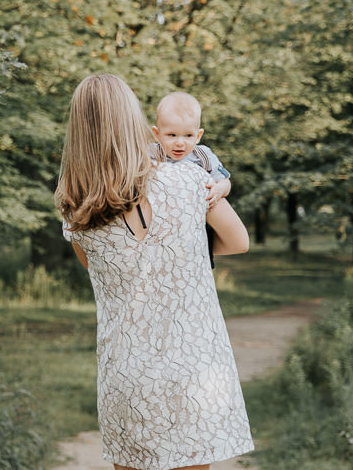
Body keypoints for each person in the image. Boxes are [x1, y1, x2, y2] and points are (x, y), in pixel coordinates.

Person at [56, 74, 253, 470]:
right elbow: (238, 242)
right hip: (194, 367)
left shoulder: (75, 207)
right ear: (135, 122)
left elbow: (96, 268)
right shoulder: (190, 179)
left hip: (126, 373)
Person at [151, 91, 232, 207]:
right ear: (157, 134)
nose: (179, 143)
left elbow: (225, 182)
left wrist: (219, 189)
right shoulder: (150, 154)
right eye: (172, 135)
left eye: (188, 136)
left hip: (194, 213)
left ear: (198, 136)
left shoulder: (203, 156)